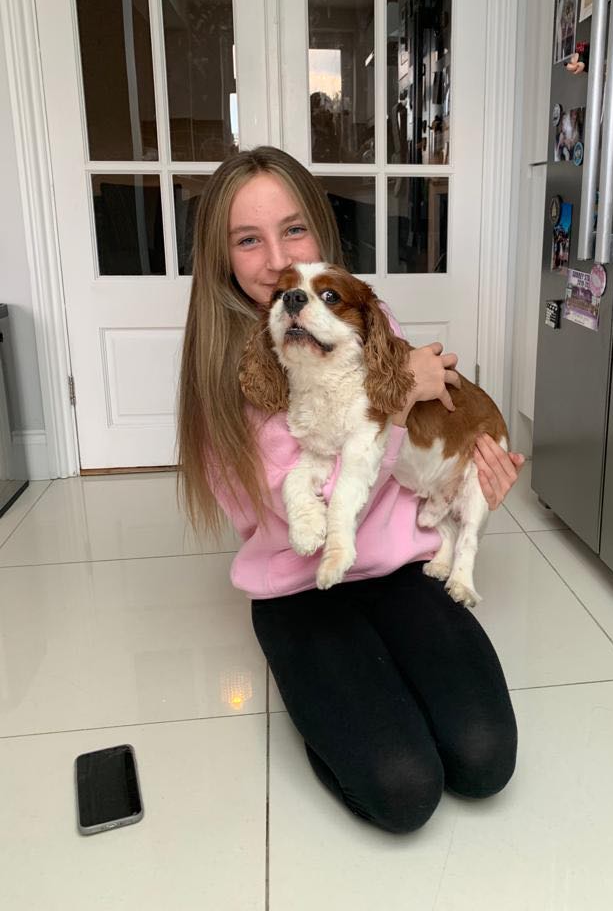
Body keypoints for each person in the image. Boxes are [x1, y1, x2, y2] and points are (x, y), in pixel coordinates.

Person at [177, 146, 526, 834]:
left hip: (397, 566)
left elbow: (427, 436)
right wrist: (398, 403)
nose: (277, 259)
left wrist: (472, 478)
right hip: (300, 587)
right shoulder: (228, 375)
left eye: (293, 228)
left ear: (321, 232)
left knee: (484, 760)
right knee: (403, 790)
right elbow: (293, 517)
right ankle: (323, 697)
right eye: (248, 240)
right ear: (221, 258)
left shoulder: (364, 314)